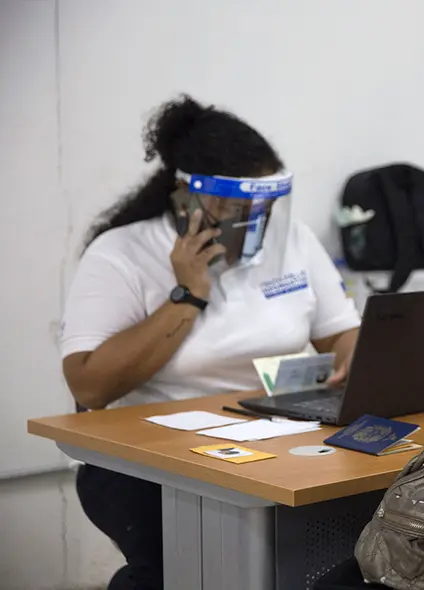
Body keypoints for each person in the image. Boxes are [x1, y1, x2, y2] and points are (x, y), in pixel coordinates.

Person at [61, 95, 361, 590]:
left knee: (338, 552)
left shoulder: (293, 240)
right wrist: (188, 294)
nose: (255, 219)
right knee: (180, 570)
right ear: (185, 197)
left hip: (279, 441)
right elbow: (90, 386)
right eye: (236, 208)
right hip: (153, 459)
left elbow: (343, 332)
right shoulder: (121, 253)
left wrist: (353, 360)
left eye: (265, 205)